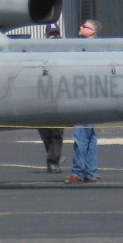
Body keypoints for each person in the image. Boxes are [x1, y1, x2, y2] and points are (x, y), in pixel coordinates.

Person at [66, 19, 102, 184]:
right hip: (94, 96)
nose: (80, 27)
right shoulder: (98, 50)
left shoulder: (87, 50)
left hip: (84, 96)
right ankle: (90, 171)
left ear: (92, 32)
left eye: (84, 26)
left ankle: (78, 172)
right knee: (89, 136)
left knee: (80, 135)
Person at [37, 23, 65, 174]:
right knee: (43, 131)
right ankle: (54, 156)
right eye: (51, 34)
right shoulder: (38, 52)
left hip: (58, 97)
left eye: (56, 34)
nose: (54, 37)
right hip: (41, 95)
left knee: (56, 131)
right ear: (46, 36)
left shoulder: (64, 51)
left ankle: (53, 161)